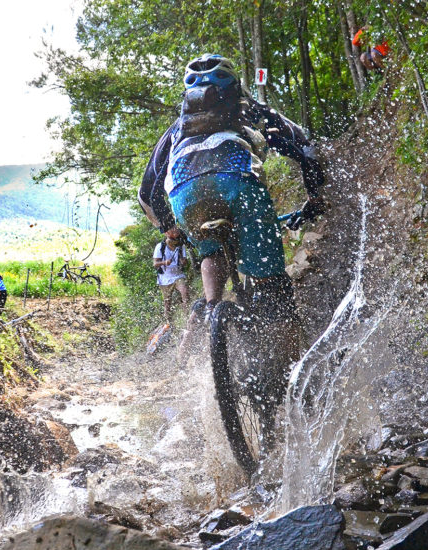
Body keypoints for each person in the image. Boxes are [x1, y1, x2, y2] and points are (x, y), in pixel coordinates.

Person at [137, 54, 326, 347]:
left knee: (210, 250)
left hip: (185, 197)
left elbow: (147, 192)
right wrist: (314, 196)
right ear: (235, 84)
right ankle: (287, 374)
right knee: (275, 291)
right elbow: (303, 145)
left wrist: (169, 228)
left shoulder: (178, 128)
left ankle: (206, 327)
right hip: (241, 188)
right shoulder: (248, 110)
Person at [153, 228, 191, 325]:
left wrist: (184, 261)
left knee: (185, 291)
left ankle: (187, 316)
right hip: (165, 278)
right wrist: (164, 262)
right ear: (167, 235)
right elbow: (155, 264)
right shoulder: (160, 246)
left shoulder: (180, 246)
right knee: (167, 302)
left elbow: (184, 261)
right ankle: (169, 322)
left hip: (178, 275)